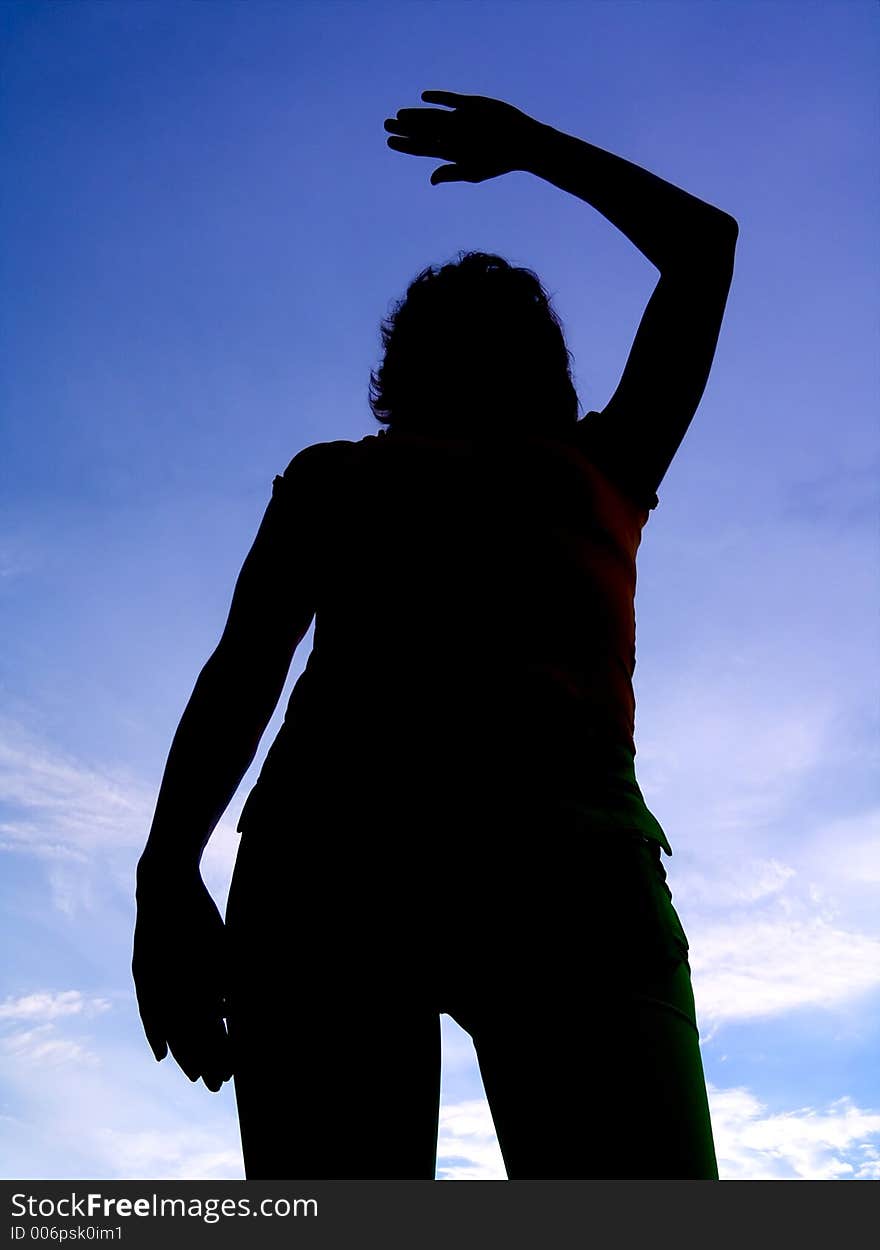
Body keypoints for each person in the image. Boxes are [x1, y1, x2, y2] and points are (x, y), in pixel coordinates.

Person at [132, 91, 737, 1180]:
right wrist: (165, 870)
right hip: (473, 863)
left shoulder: (547, 469)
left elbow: (245, 669)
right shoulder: (587, 468)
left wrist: (168, 868)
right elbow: (245, 666)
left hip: (375, 863)